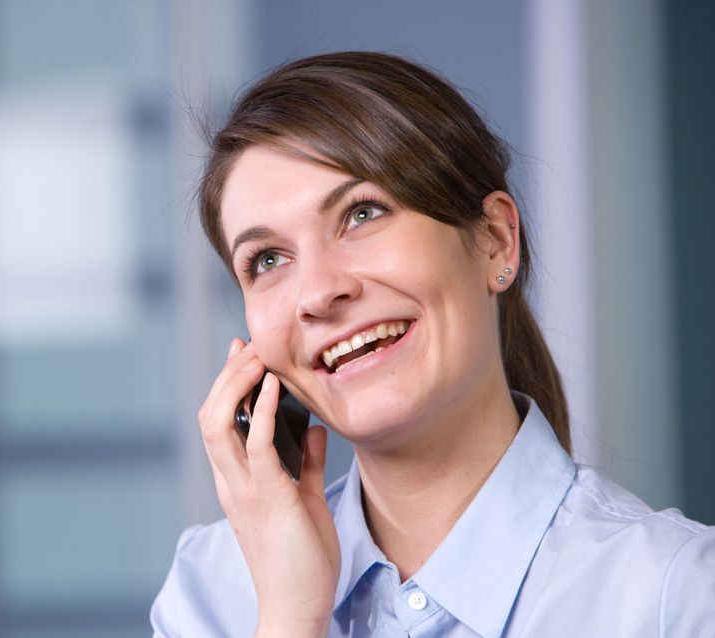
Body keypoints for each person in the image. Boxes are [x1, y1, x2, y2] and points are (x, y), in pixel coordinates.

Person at [149, 51, 715, 637]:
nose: (317, 293)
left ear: (495, 241)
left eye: (361, 214)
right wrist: (291, 616)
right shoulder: (211, 592)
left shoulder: (677, 595)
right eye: (268, 260)